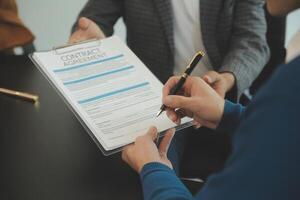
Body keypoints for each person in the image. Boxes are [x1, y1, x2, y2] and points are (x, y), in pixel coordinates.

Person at [70, 0, 270, 178]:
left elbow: (252, 42)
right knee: (140, 169)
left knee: (264, 167)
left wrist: (227, 79)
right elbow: (92, 21)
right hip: (157, 100)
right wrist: (86, 41)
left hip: (223, 95)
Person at [121, 0, 300, 199]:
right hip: (186, 107)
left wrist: (153, 169)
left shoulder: (288, 90)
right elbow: (276, 130)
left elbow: (252, 42)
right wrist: (227, 114)